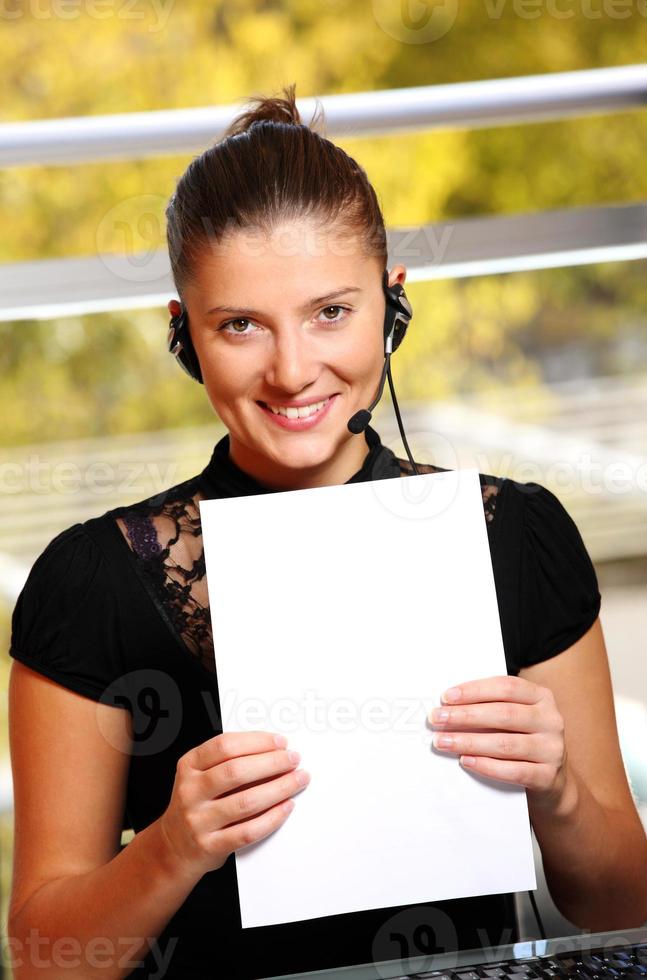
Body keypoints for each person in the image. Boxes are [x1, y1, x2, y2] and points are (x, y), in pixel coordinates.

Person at [7, 82, 647, 980]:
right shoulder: (94, 582)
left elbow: (622, 907)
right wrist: (172, 847)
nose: (293, 370)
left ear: (393, 305)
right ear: (183, 334)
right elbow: (43, 960)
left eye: (330, 312)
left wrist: (558, 791)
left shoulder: (517, 538)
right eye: (240, 325)